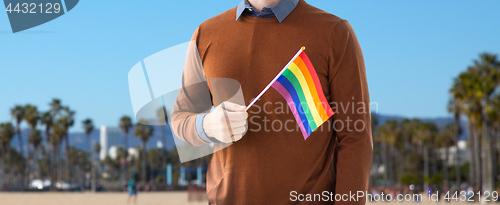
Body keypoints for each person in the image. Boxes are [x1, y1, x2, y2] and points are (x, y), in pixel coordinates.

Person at [171, 0, 372, 204]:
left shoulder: (335, 33)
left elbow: (355, 137)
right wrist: (207, 126)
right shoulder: (205, 34)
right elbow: (180, 119)